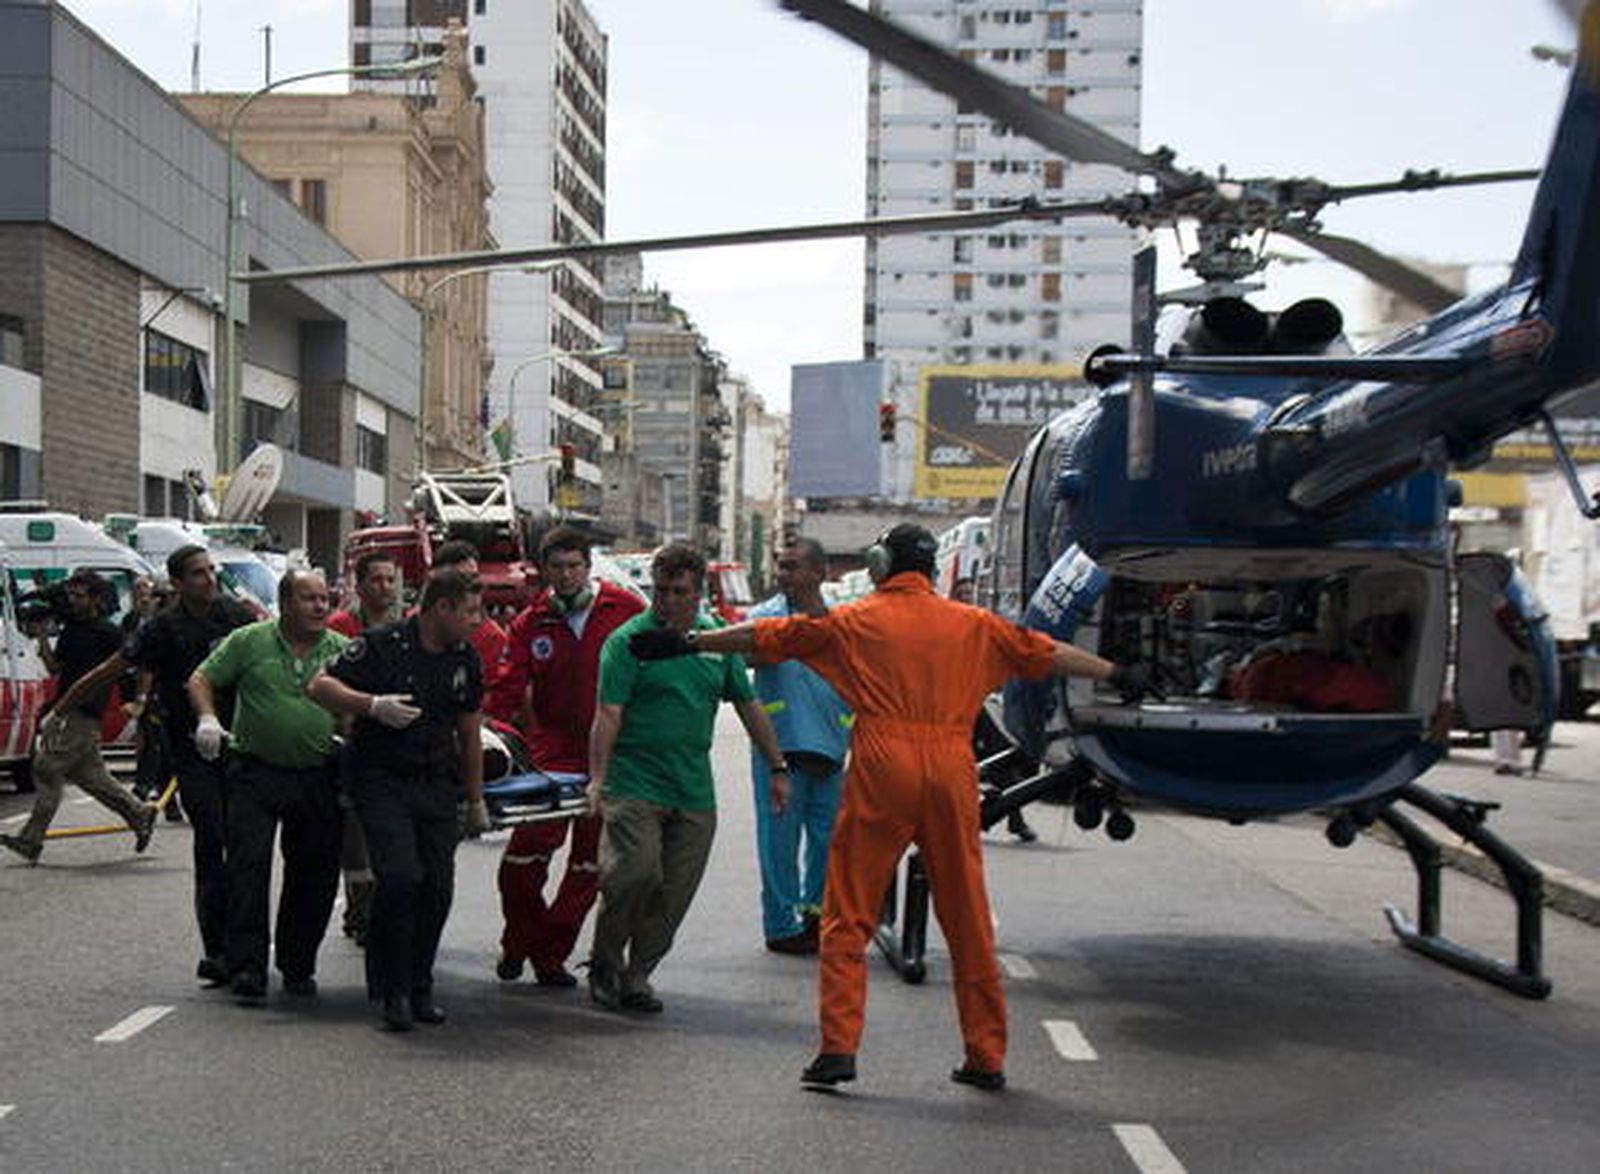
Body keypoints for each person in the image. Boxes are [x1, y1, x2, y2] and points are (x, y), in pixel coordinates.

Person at [629, 523, 1154, 1092]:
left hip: (883, 765)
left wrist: (688, 642)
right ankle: (985, 1054)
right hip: (952, 768)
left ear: (879, 563)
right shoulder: (974, 625)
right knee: (967, 917)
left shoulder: (856, 620)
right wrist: (1116, 674)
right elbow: (1045, 652)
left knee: (848, 910)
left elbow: (767, 637)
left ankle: (838, 1050)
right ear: (930, 570)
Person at [587, 542, 789, 1015]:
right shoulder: (629, 642)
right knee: (634, 873)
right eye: (661, 591)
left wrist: (778, 767)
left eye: (680, 592)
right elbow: (608, 714)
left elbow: (749, 705)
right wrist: (598, 779)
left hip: (693, 791)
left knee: (673, 893)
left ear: (699, 593)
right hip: (634, 783)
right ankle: (605, 962)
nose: (669, 601)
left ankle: (637, 976)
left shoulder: (717, 642)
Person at [52, 546, 257, 983]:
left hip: (242, 747)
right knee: (212, 840)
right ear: (178, 583)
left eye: (211, 571)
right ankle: (217, 950)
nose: (209, 579)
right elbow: (112, 668)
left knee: (245, 849)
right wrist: (61, 708)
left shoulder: (236, 616)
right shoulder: (162, 628)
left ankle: (246, 951)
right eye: (198, 574)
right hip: (192, 749)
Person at [309, 568, 491, 1032]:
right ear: (442, 607)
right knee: (400, 878)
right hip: (381, 779)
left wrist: (475, 801)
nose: (478, 621)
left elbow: (469, 732)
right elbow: (320, 686)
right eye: (470, 611)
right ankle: (392, 991)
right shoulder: (382, 643)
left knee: (437, 888)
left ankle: (419, 984)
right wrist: (371, 705)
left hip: (435, 783)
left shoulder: (464, 658)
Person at [493, 526, 644, 987]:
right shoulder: (530, 622)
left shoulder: (626, 609)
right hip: (551, 754)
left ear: (588, 565)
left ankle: (549, 956)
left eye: (574, 566)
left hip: (611, 753)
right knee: (521, 863)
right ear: (543, 571)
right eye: (556, 568)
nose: (566, 576)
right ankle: (522, 939)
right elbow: (504, 689)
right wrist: (486, 736)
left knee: (587, 867)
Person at [188, 569, 348, 1006]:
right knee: (248, 867)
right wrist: (208, 718)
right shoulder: (249, 640)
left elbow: (358, 702)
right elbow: (201, 679)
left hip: (317, 775)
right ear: (285, 602)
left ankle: (297, 965)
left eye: (324, 598)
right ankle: (247, 967)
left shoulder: (341, 650)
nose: (319, 607)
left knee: (314, 873)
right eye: (308, 598)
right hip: (255, 772)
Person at [1, 570, 157, 865]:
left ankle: (30, 839)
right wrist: (43, 636)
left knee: (47, 767)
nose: (73, 601)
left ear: (96, 599)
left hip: (83, 712)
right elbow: (56, 668)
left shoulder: (108, 632)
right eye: (71, 595)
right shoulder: (71, 629)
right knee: (91, 777)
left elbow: (140, 662)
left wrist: (139, 700)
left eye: (80, 596)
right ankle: (140, 813)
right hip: (66, 707)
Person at [747, 539, 852, 955]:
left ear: (819, 573)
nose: (782, 574)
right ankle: (781, 926)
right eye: (781, 566)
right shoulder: (763, 619)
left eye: (792, 567)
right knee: (779, 844)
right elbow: (742, 663)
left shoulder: (843, 624)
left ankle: (815, 916)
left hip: (831, 751)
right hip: (780, 750)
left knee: (828, 843)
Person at [326, 551, 403, 947]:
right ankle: (359, 912)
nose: (385, 587)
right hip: (350, 744)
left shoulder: (402, 629)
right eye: (377, 580)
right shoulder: (341, 627)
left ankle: (380, 910)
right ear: (359, 586)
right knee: (355, 837)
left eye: (390, 579)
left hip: (391, 747)